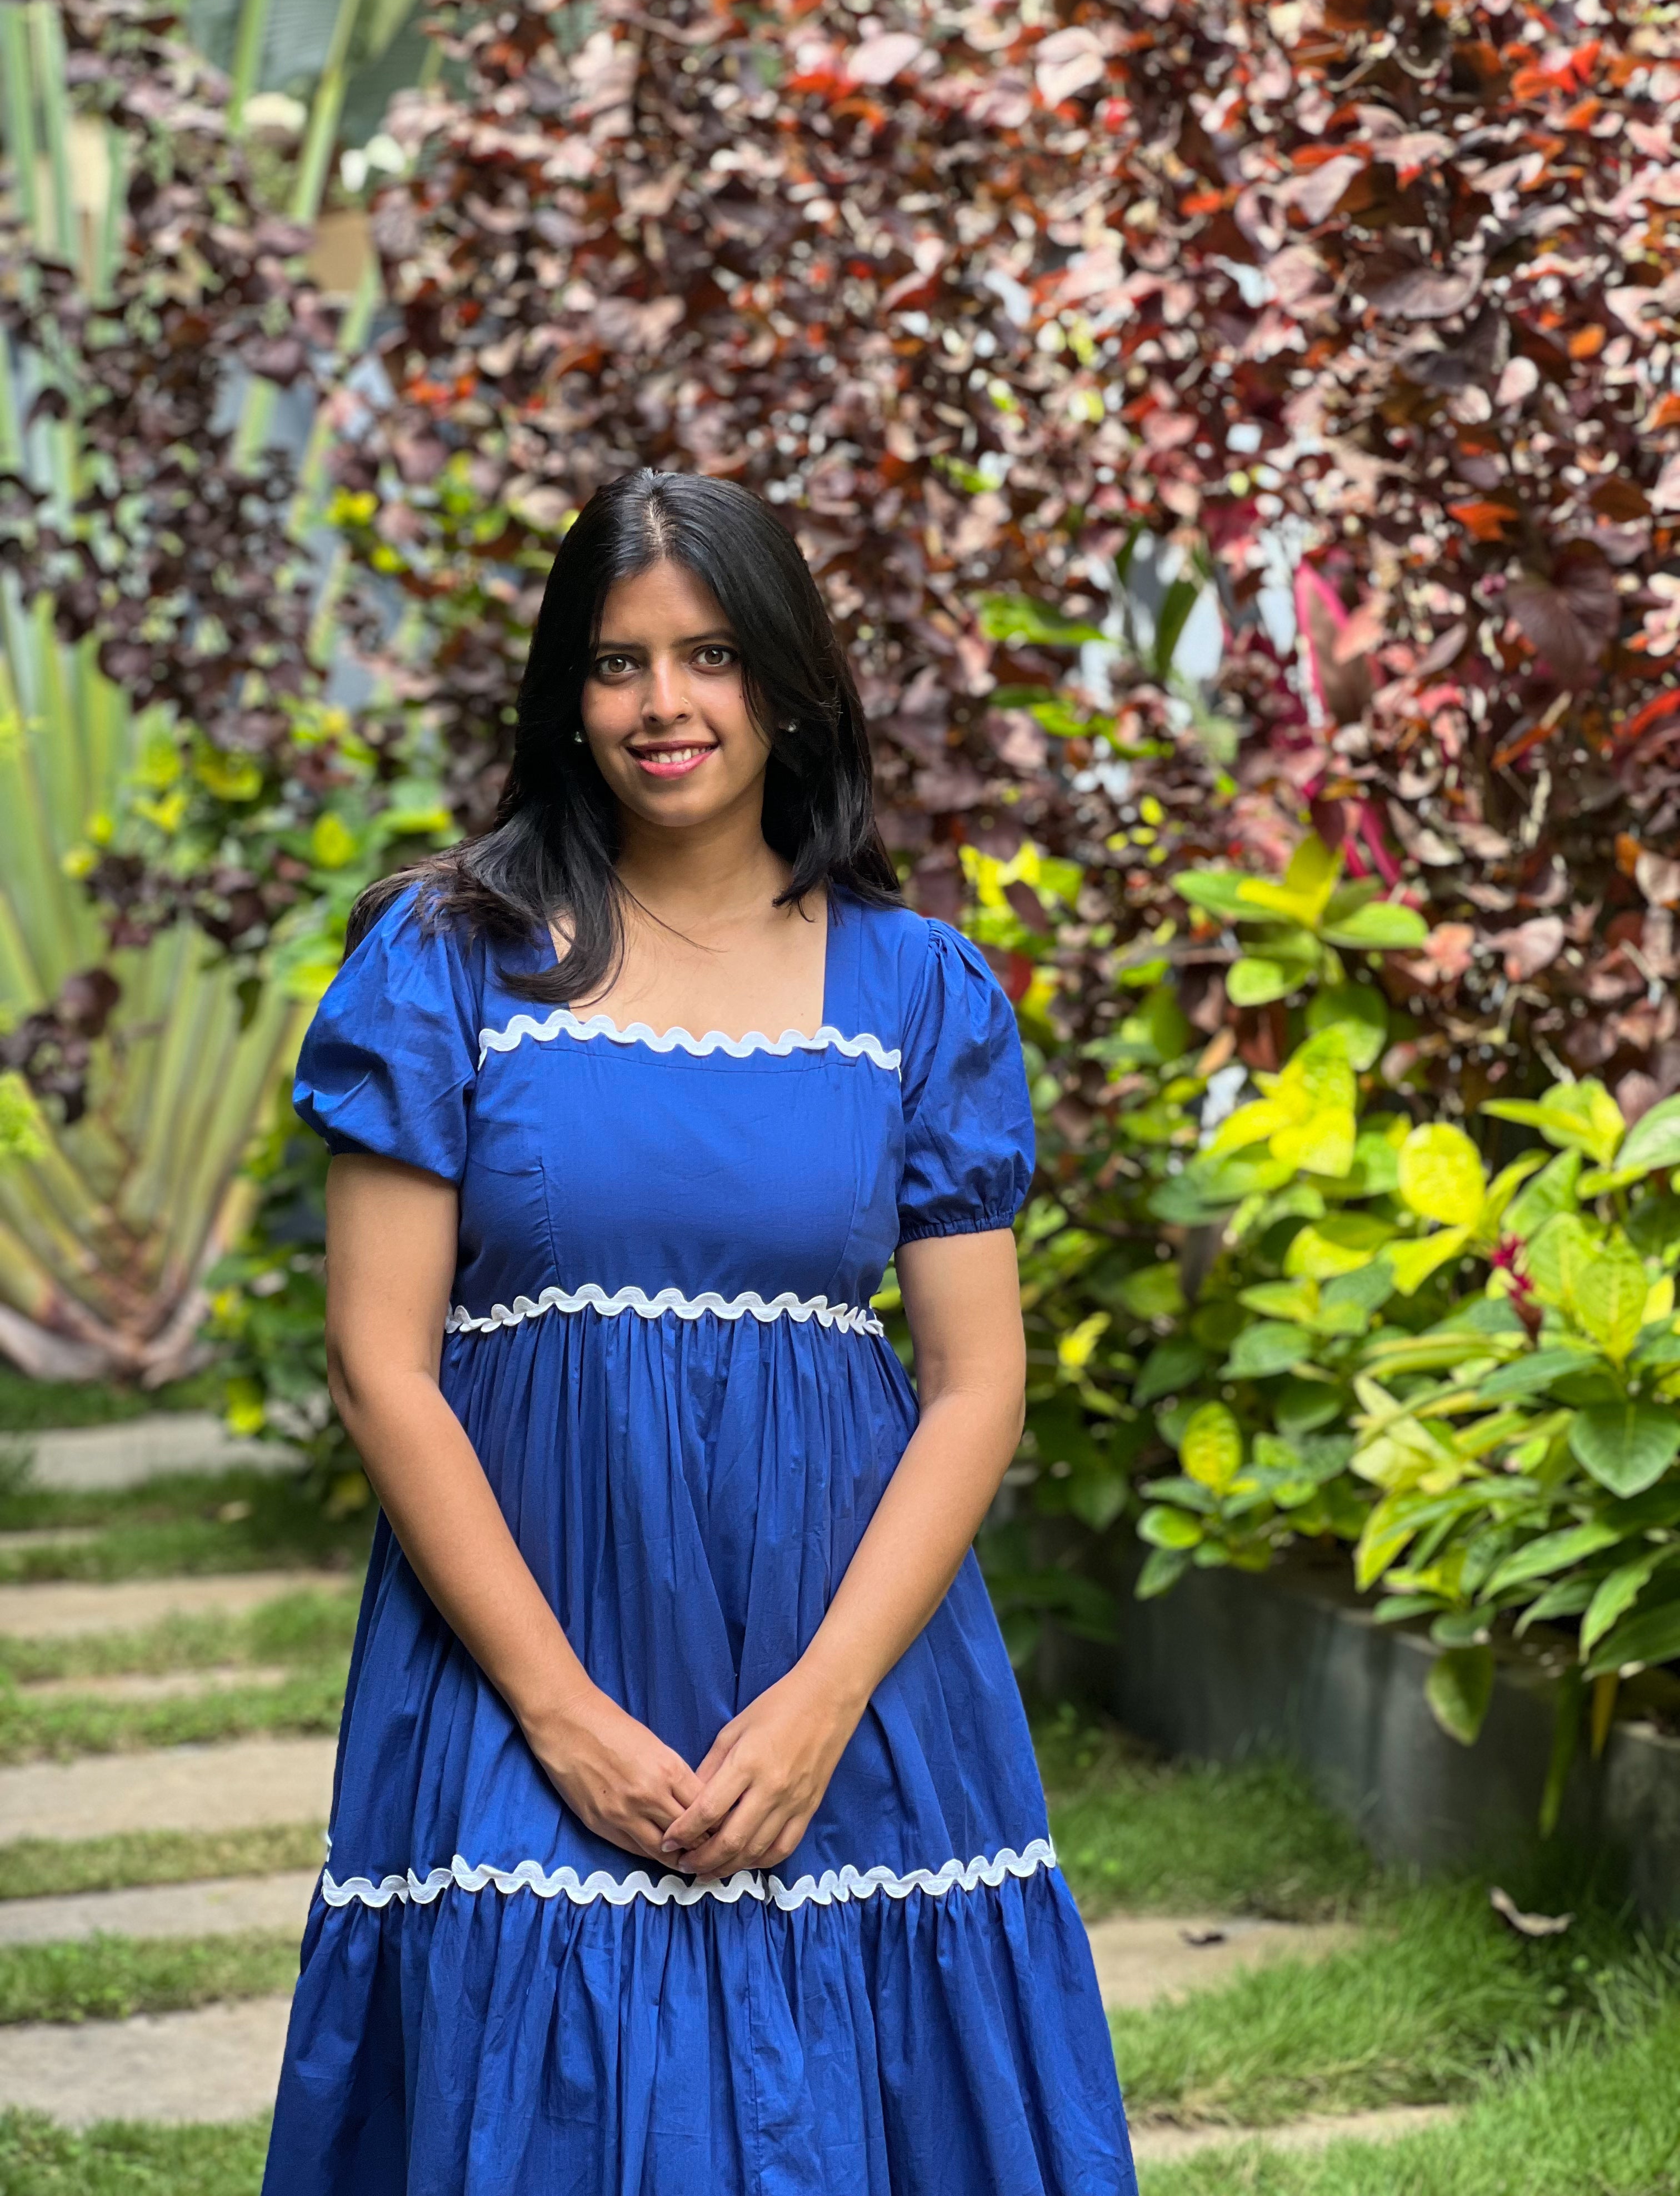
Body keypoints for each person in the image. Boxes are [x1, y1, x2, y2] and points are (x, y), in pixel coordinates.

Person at [263, 469, 1136, 2194]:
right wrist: (561, 1710)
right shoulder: (448, 961)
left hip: (850, 1651)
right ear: (563, 698)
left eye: (713, 655)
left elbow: (975, 1383)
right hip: (518, 1651)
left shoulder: (920, 991)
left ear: (793, 681)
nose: (665, 705)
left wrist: (822, 1701)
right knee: (543, 2089)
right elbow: (384, 1366)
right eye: (617, 663)